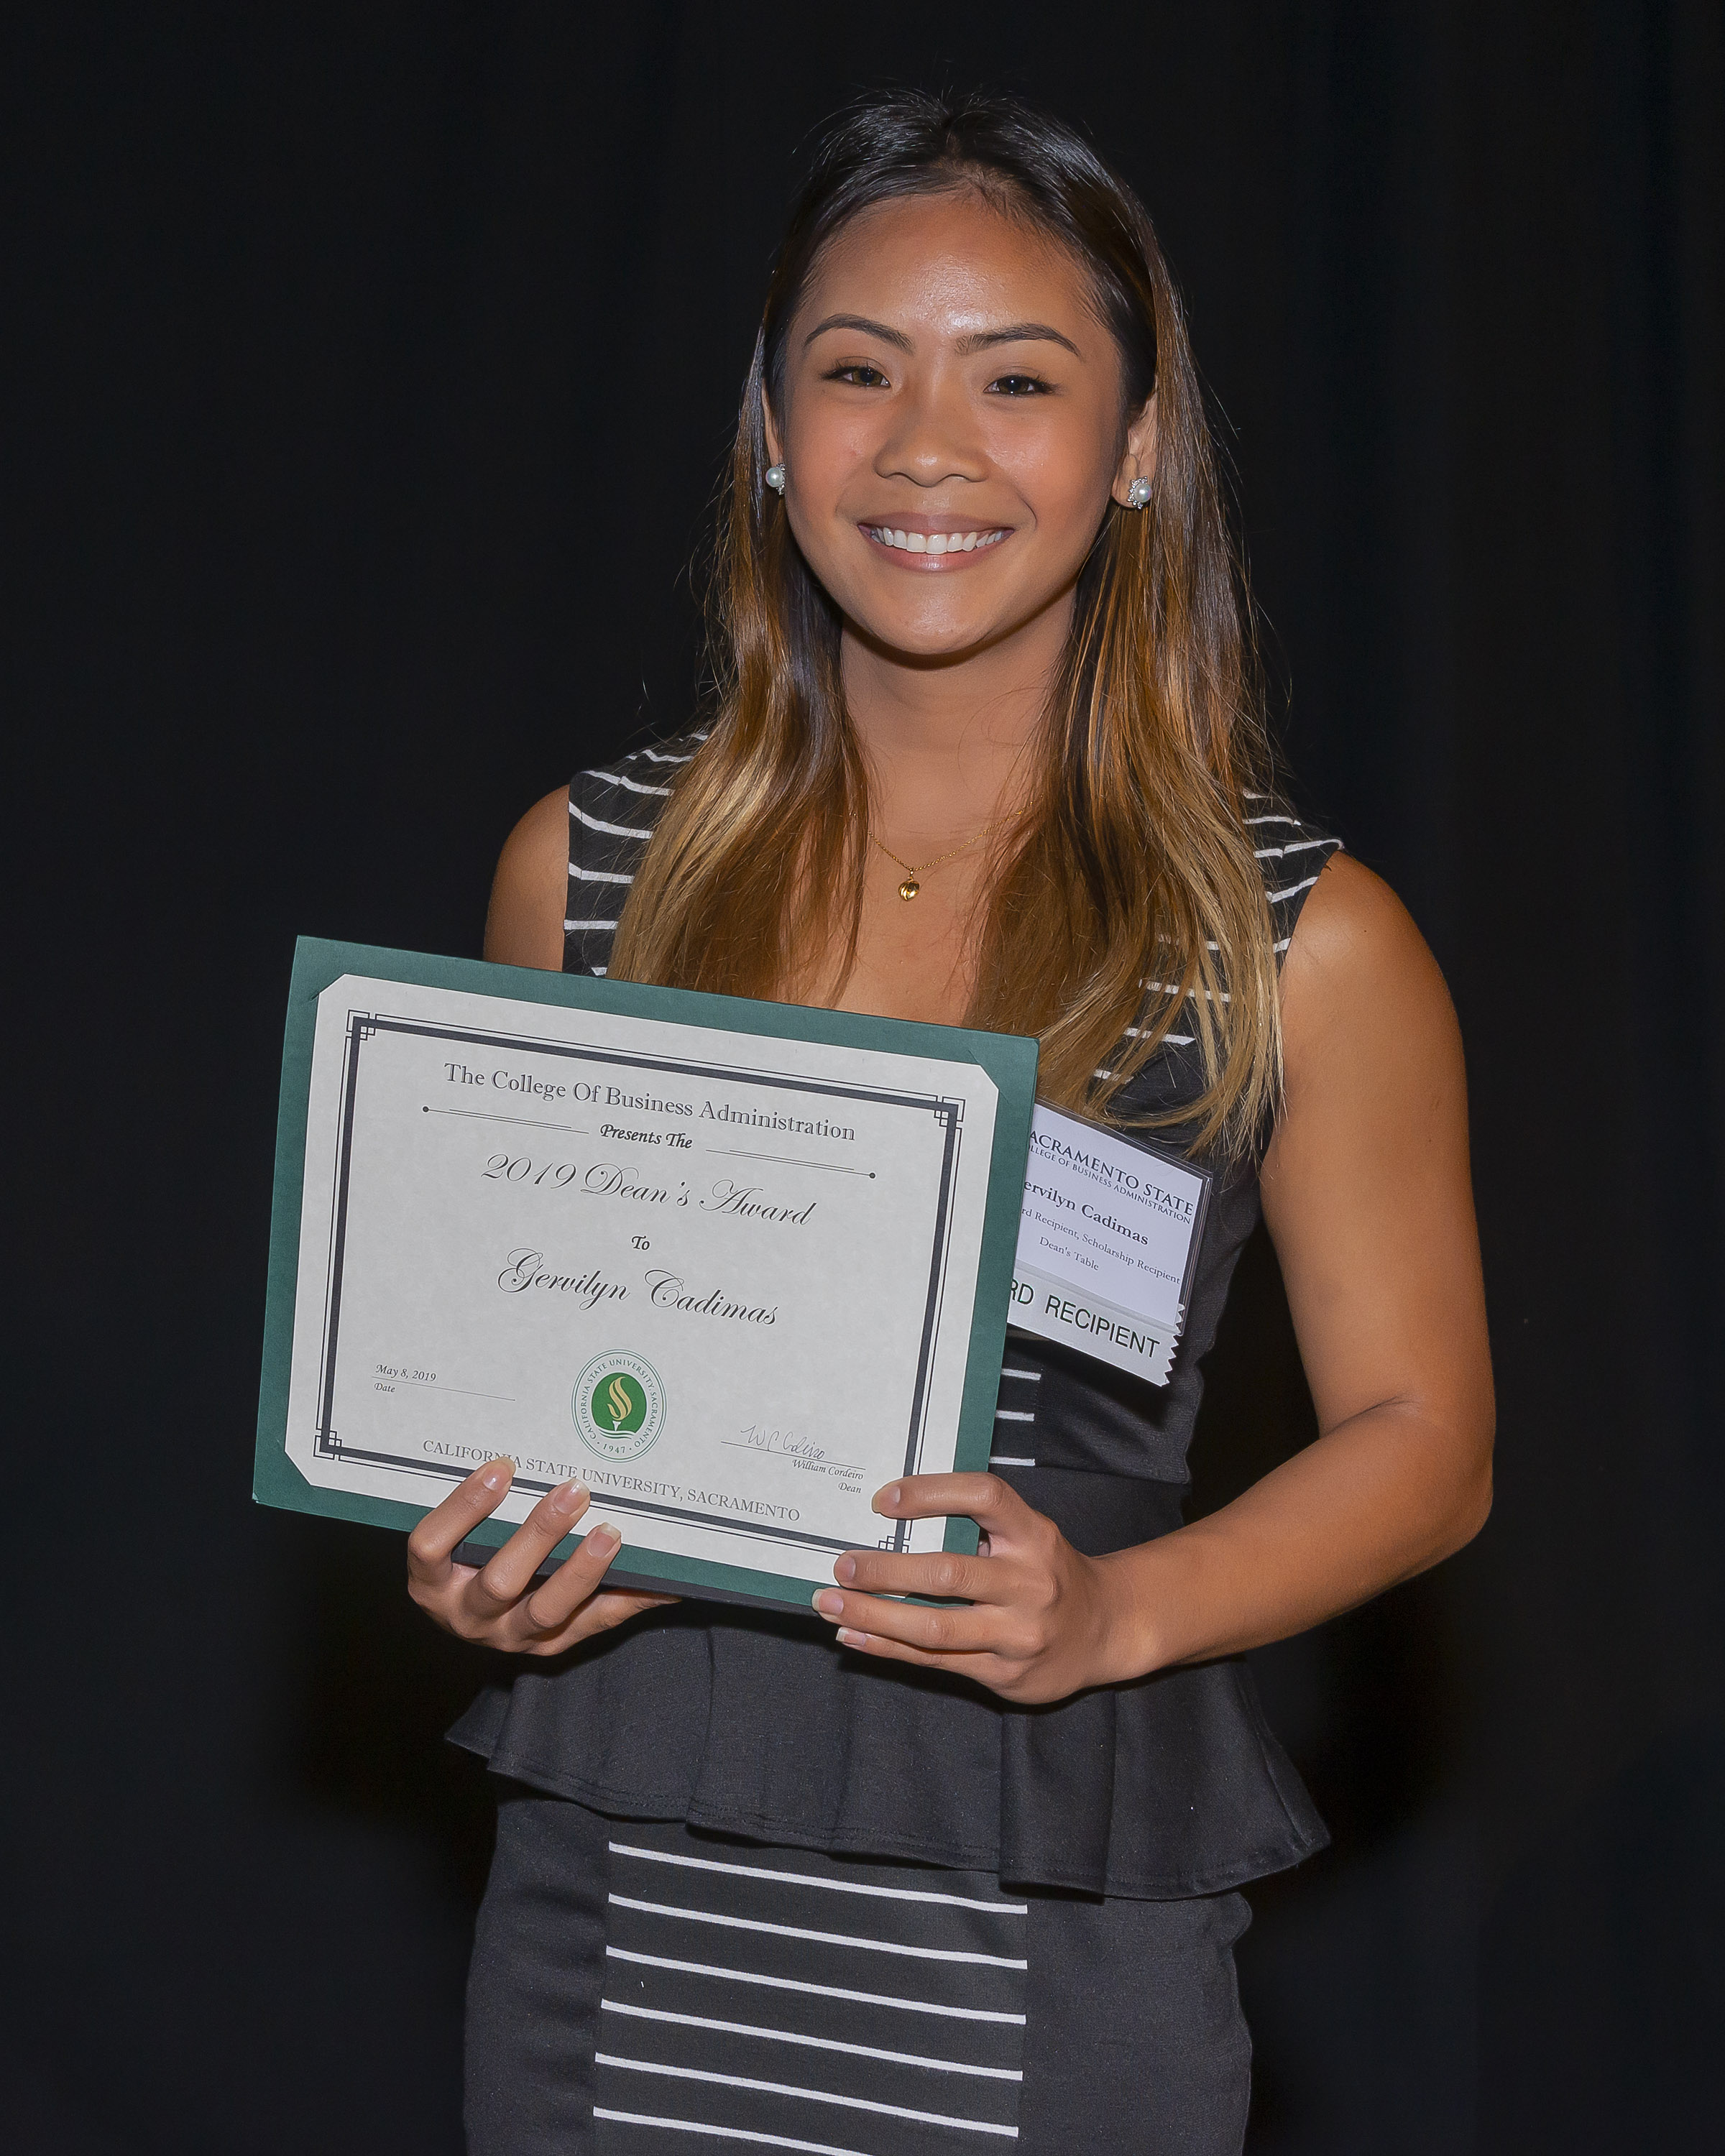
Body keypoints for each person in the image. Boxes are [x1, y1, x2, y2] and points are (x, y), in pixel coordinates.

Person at [404, 89, 1494, 2156]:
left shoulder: (1306, 942)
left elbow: (1429, 1451)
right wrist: (481, 1561)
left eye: (1017, 378)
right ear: (767, 426)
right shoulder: (587, 870)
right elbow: (511, 1382)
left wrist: (1121, 1612)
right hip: (623, 1907)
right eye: (853, 371)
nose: (924, 445)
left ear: (1142, 442)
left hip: (1041, 1911)